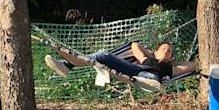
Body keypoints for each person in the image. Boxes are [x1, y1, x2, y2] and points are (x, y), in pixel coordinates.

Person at [45, 41, 196, 91]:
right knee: (103, 54)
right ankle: (67, 65)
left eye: (169, 51)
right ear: (156, 51)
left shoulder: (171, 68)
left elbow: (192, 65)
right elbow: (134, 45)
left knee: (153, 77)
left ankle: (151, 82)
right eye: (163, 48)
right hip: (135, 71)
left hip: (154, 78)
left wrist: (171, 62)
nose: (166, 50)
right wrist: (151, 55)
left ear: (171, 57)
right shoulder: (146, 58)